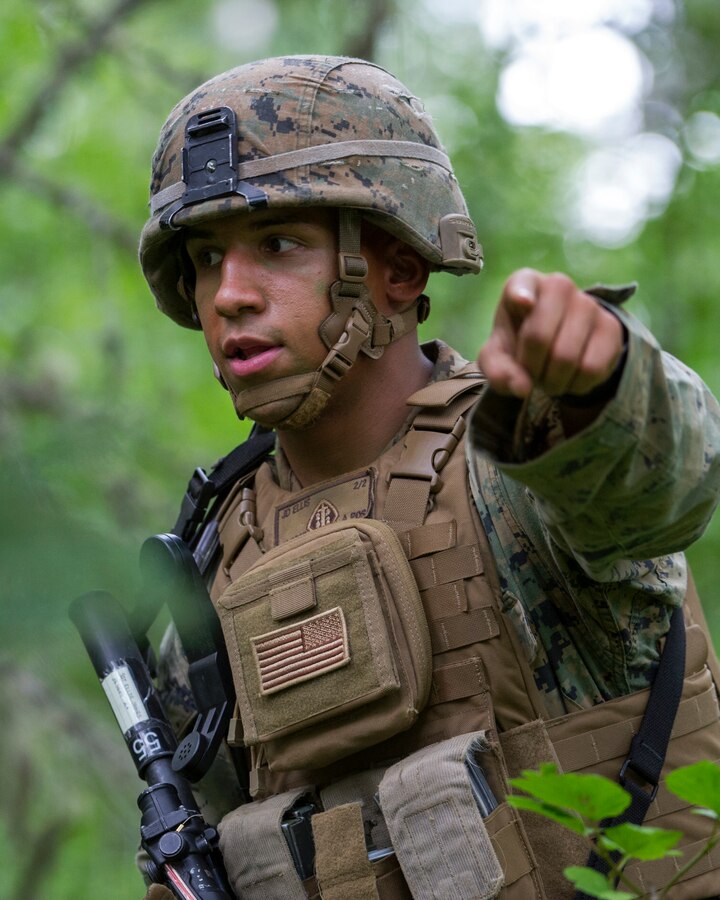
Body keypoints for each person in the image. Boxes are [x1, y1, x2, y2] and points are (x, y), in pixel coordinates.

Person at [138, 55, 720, 899]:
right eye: (203, 259)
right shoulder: (213, 575)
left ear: (400, 269)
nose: (229, 294)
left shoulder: (517, 473)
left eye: (277, 245)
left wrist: (605, 389)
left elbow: (667, 489)